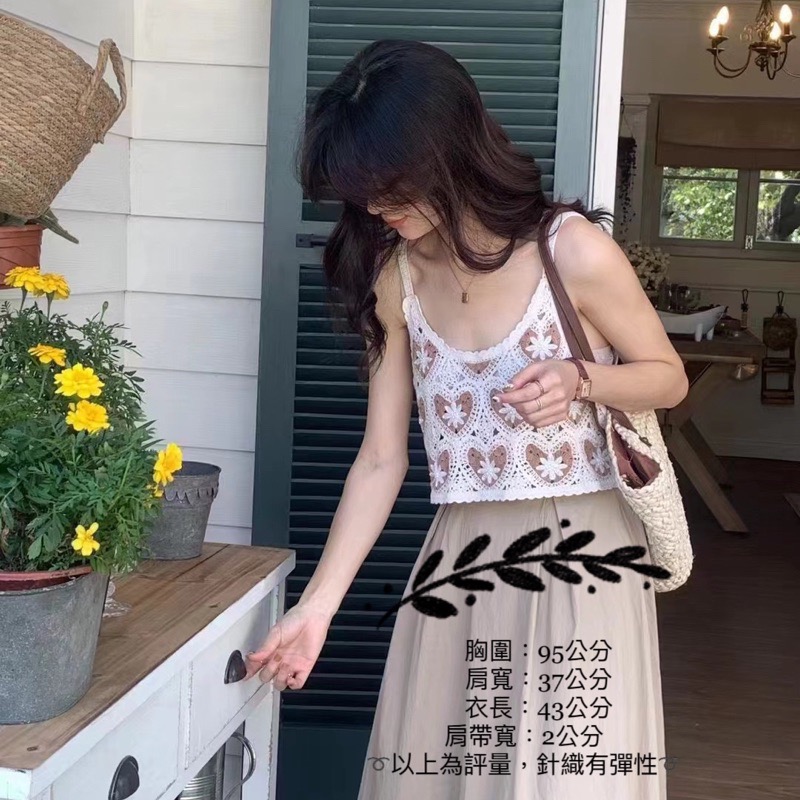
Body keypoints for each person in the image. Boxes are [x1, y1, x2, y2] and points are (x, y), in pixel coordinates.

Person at [244, 39, 688, 800]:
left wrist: (583, 379)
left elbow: (668, 377)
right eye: (360, 192)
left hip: (583, 553)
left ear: (448, 151)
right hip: (460, 555)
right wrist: (316, 608)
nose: (375, 208)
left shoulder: (571, 251)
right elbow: (381, 458)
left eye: (388, 185)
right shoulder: (395, 278)